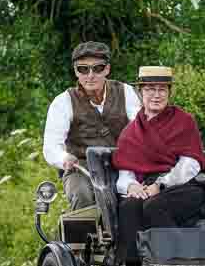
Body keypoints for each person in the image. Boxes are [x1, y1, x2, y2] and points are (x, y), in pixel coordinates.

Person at [112, 66, 205, 266]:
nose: (156, 95)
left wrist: (161, 185)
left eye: (162, 90)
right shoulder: (130, 132)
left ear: (169, 92)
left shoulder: (184, 121)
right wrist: (131, 186)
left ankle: (176, 264)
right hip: (146, 187)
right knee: (129, 207)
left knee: (154, 206)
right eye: (150, 89)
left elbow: (190, 164)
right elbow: (125, 173)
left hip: (184, 186)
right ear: (141, 92)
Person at [42, 41, 141, 210]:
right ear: (76, 71)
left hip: (123, 164)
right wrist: (64, 158)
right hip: (81, 169)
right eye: (83, 69)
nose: (90, 75)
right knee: (82, 195)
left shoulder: (126, 92)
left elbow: (141, 131)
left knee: (141, 199)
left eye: (97, 68)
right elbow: (51, 146)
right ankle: (83, 236)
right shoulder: (62, 102)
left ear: (107, 69)